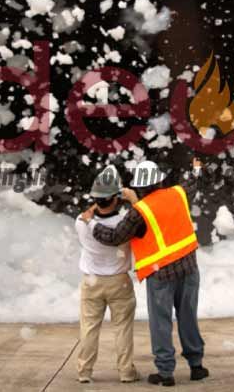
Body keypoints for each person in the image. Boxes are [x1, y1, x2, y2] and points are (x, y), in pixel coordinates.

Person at [81, 160, 209, 387]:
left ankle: (166, 372)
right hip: (189, 269)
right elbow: (193, 182)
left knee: (160, 323)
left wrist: (91, 224)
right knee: (188, 316)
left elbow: (114, 238)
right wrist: (196, 167)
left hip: (160, 275)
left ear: (138, 187)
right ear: (160, 180)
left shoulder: (137, 212)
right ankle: (196, 366)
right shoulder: (179, 193)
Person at [74, 165, 139, 384]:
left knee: (89, 329)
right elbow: (141, 218)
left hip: (91, 282)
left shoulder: (81, 222)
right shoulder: (124, 223)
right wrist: (131, 199)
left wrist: (95, 205)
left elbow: (94, 209)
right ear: (115, 198)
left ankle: (84, 371)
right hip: (119, 282)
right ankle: (126, 372)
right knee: (122, 329)